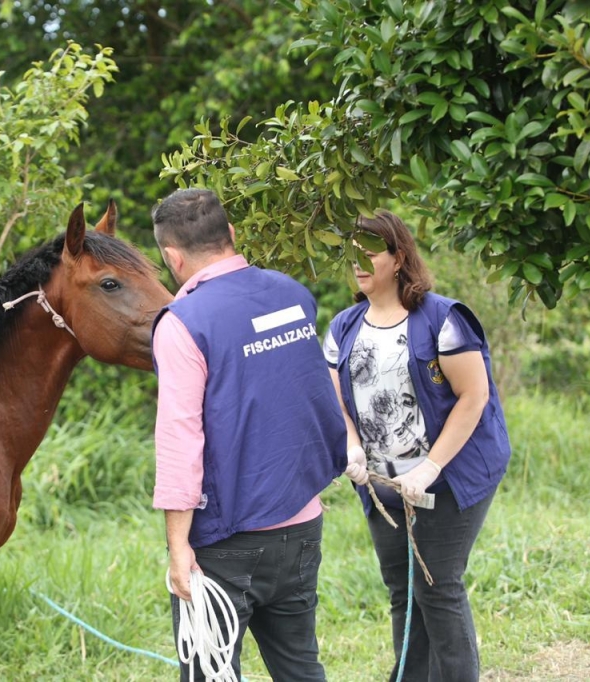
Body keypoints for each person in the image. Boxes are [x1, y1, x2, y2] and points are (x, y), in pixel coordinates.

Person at [150, 188, 352, 681]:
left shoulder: (182, 325)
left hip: (226, 541)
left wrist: (178, 548)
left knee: (210, 672)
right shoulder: (292, 295)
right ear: (232, 235)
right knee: (301, 667)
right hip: (302, 522)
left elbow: (181, 442)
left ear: (172, 257)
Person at [322, 210, 512, 682]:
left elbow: (475, 396)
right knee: (403, 592)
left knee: (438, 587)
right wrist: (352, 447)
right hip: (384, 486)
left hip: (450, 478)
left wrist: (429, 467)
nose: (358, 262)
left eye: (369, 251)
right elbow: (336, 400)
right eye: (351, 253)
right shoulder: (343, 328)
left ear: (399, 256)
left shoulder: (444, 321)